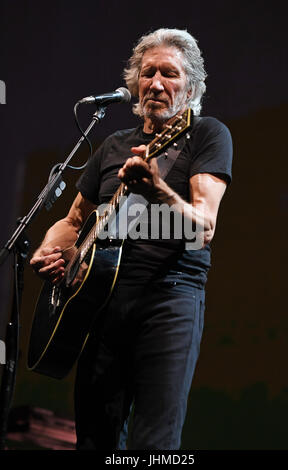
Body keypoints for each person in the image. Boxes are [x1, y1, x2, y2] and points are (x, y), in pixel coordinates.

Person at [30, 28, 233, 450]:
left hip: (170, 299)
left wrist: (156, 189)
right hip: (102, 304)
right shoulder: (112, 145)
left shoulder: (207, 135)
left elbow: (204, 225)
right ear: (134, 82)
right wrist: (51, 250)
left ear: (191, 86)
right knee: (94, 439)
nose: (156, 83)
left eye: (170, 74)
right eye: (148, 73)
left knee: (154, 443)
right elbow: (73, 220)